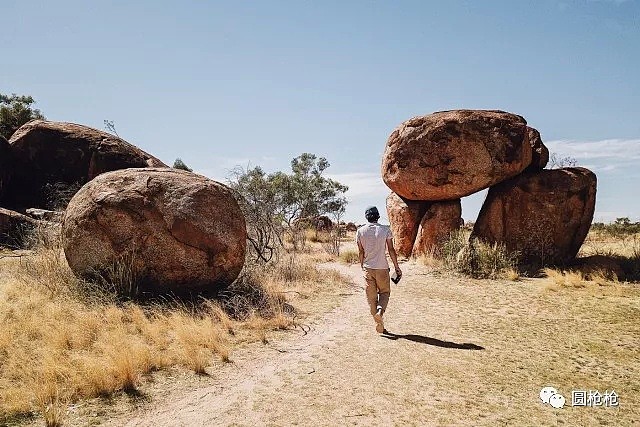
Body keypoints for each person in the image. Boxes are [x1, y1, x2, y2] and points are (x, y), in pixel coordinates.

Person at [356, 206, 402, 333]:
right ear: (378, 216)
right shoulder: (385, 230)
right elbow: (391, 250)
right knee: (384, 292)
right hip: (382, 267)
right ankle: (380, 313)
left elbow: (361, 251)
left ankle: (377, 320)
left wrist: (362, 265)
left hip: (367, 268)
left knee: (371, 298)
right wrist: (396, 267)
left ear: (366, 217)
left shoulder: (360, 231)